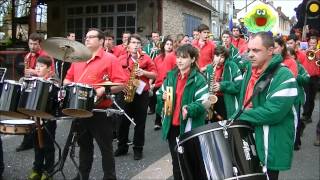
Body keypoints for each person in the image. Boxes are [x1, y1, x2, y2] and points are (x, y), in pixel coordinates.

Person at [234, 32, 298, 180]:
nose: (250, 54)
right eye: (249, 50)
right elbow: (244, 101)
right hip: (250, 135)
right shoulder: (250, 70)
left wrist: (239, 116)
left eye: (256, 50)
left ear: (270, 51)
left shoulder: (284, 75)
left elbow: (273, 112)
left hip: (271, 141)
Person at [64, 28, 127, 180]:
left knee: (106, 149)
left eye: (91, 37)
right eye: (86, 37)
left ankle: (110, 177)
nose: (87, 39)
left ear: (101, 41)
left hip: (100, 111)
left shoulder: (110, 59)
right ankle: (82, 175)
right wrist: (67, 85)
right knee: (84, 147)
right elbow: (67, 79)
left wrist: (103, 89)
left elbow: (121, 83)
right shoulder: (78, 58)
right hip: (79, 110)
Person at [156, 44, 209, 180]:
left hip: (190, 127)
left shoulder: (199, 79)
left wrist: (189, 109)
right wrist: (161, 97)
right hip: (172, 126)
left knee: (191, 162)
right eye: (178, 57)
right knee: (177, 162)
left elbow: (203, 102)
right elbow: (160, 93)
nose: (179, 61)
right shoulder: (171, 76)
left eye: (184, 58)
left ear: (192, 60)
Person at [115, 34, 157, 160]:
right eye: (133, 42)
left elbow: (155, 75)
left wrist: (144, 72)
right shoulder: (120, 59)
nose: (136, 45)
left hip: (141, 93)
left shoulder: (146, 58)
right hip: (125, 92)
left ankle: (138, 149)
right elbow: (115, 75)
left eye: (138, 43)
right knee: (122, 122)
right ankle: (122, 146)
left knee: (140, 123)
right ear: (127, 45)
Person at [17, 33, 54, 152]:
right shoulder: (28, 56)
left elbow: (50, 74)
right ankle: (28, 141)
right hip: (31, 88)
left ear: (40, 44)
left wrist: (34, 72)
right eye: (30, 44)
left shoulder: (46, 56)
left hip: (41, 90)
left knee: (39, 119)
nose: (32, 46)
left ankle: (38, 142)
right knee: (27, 115)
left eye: (35, 44)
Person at [28, 56, 58, 180]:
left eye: (41, 66)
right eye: (37, 66)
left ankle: (49, 170)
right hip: (35, 118)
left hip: (48, 118)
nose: (38, 68)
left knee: (48, 145)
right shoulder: (34, 80)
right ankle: (37, 169)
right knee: (36, 144)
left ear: (49, 68)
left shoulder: (53, 81)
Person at [203, 45, 242, 121]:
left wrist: (222, 86)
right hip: (213, 102)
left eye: (222, 57)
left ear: (226, 58)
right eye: (217, 56)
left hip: (227, 102)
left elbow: (239, 85)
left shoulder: (232, 66)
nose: (219, 59)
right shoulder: (209, 68)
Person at [287, 35, 320, 123]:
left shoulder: (318, 52)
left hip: (315, 78)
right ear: (309, 43)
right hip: (306, 77)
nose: (312, 44)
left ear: (317, 43)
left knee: (312, 98)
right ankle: (305, 115)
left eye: (314, 43)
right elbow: (299, 61)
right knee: (306, 96)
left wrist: (315, 55)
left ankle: (309, 115)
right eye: (311, 43)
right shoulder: (304, 51)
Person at [287, 47, 310, 150]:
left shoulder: (299, 67)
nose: (289, 58)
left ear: (294, 56)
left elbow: (306, 79)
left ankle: (296, 142)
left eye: (291, 55)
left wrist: (296, 76)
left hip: (297, 98)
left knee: (296, 120)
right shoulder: (282, 67)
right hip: (286, 98)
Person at [150, 38, 174, 130]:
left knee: (168, 104)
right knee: (159, 103)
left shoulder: (174, 57)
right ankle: (157, 121)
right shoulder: (158, 58)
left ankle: (168, 123)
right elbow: (154, 71)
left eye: (171, 44)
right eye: (167, 44)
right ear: (163, 45)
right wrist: (151, 83)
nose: (169, 46)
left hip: (169, 83)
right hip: (158, 84)